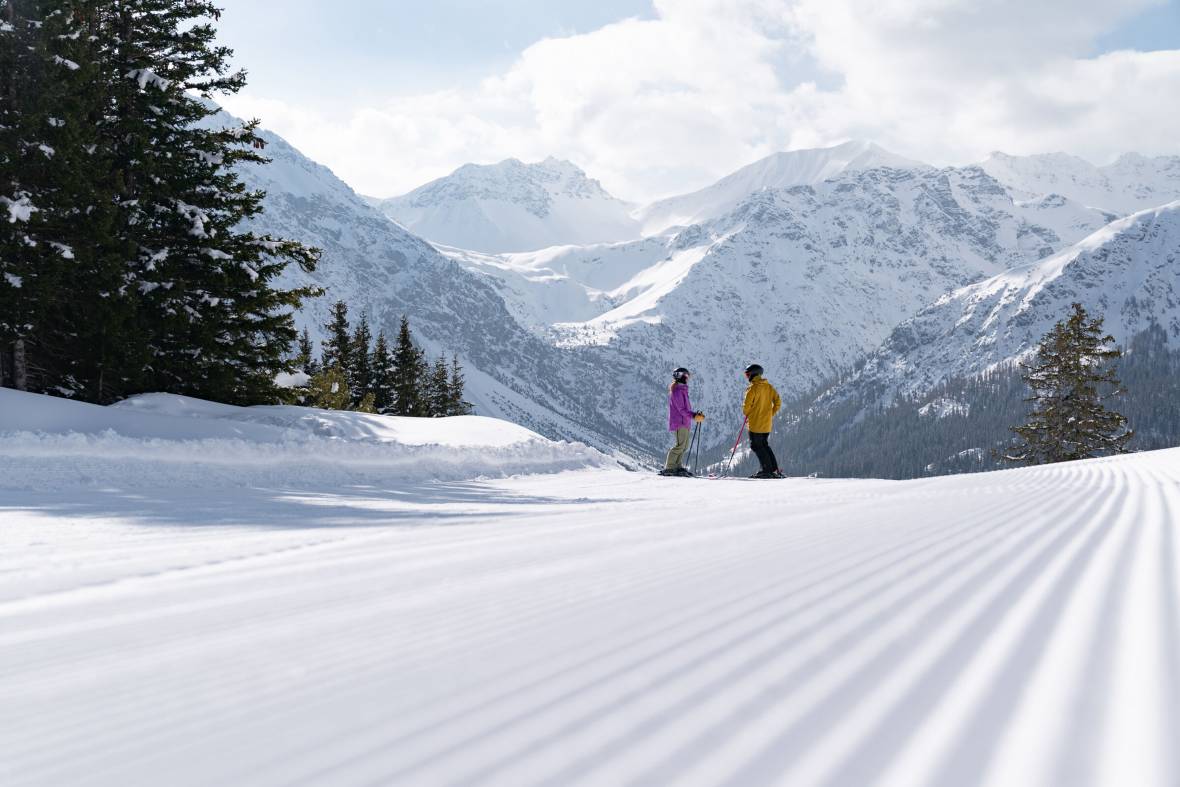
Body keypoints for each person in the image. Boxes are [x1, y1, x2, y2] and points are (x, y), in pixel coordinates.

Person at [661, 367, 704, 477]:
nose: (687, 378)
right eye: (686, 376)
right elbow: (681, 409)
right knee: (680, 445)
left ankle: (677, 465)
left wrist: (695, 414)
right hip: (679, 422)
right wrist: (694, 415)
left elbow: (685, 409)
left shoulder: (682, 390)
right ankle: (670, 466)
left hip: (685, 421)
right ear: (680, 376)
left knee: (684, 446)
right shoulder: (677, 392)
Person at [742, 363, 782, 478]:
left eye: (747, 374)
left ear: (753, 374)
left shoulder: (752, 388)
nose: (747, 377)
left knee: (756, 446)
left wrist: (749, 413)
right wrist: (770, 414)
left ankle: (766, 470)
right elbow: (778, 402)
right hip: (767, 424)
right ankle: (774, 469)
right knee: (764, 445)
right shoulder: (769, 387)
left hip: (755, 424)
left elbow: (746, 409)